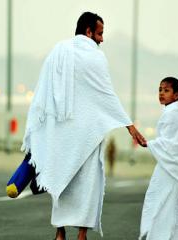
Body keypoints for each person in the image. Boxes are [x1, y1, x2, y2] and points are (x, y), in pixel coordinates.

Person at [21, 11, 146, 240]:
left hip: (60, 134)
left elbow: (43, 93)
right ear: (88, 31)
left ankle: (59, 234)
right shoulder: (95, 56)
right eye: (99, 33)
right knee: (88, 185)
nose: (101, 39)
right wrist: (130, 127)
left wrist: (41, 131)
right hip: (87, 134)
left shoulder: (58, 51)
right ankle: (81, 235)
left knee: (61, 181)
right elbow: (106, 94)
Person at [139, 77, 178, 240]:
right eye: (160, 90)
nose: (161, 93)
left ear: (176, 95)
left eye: (166, 90)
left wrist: (150, 144)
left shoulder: (173, 115)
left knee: (162, 203)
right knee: (173, 205)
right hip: (173, 167)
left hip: (170, 169)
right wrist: (153, 144)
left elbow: (174, 144)